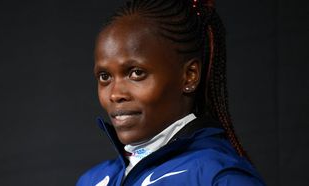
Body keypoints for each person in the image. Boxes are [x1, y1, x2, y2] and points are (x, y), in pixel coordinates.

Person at [77, 0, 265, 185]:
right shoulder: (92, 180)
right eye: (104, 77)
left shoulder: (218, 177)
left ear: (189, 76)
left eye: (136, 73)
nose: (115, 94)